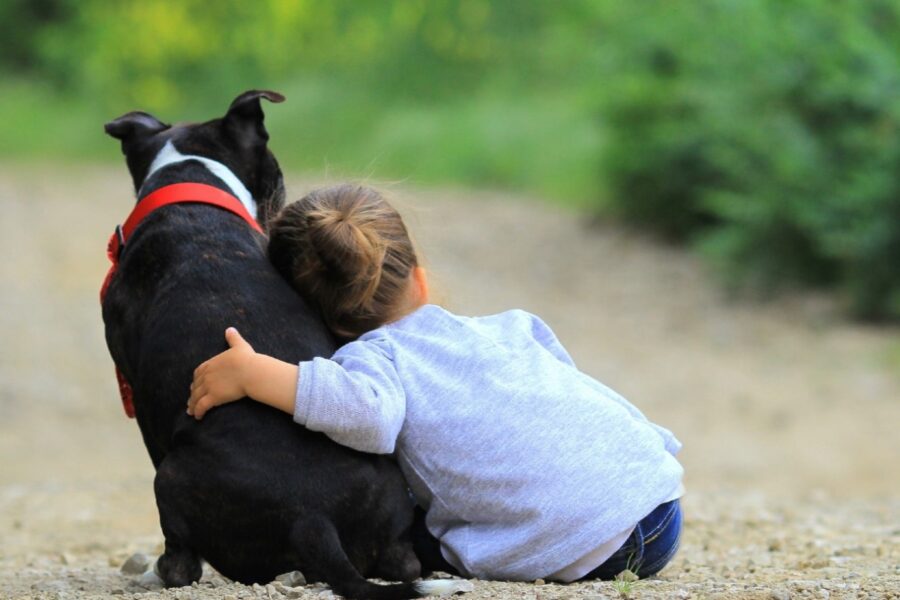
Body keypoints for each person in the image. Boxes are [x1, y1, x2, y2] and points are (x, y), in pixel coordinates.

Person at [187, 184, 684, 582]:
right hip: (657, 503)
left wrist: (258, 374)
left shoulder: (375, 357)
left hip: (591, 548)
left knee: (407, 534)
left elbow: (368, 416)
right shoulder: (512, 325)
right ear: (418, 279)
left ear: (318, 325)